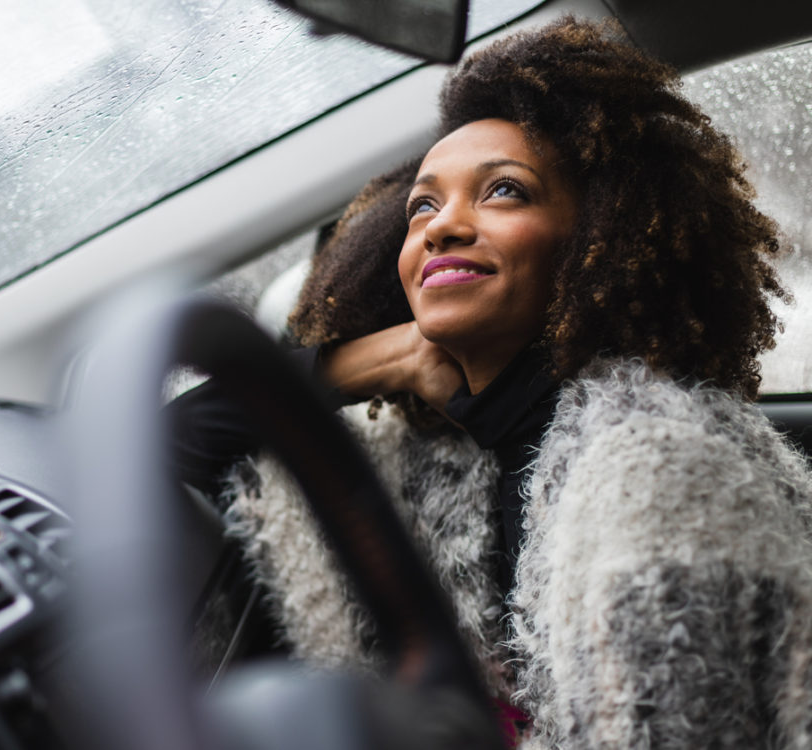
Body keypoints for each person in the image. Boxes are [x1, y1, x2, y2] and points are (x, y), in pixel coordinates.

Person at [172, 17, 812, 749]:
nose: (443, 227)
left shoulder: (658, 468)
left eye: (504, 191)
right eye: (422, 205)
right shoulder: (452, 447)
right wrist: (387, 358)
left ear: (604, 239)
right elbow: (163, 451)